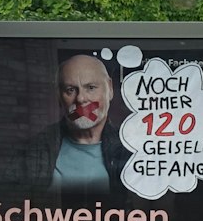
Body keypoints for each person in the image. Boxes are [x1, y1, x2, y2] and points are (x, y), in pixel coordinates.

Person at [10, 52, 127, 195]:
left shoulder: (129, 149)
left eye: (90, 87)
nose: (81, 99)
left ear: (110, 89)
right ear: (59, 96)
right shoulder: (35, 149)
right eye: (70, 90)